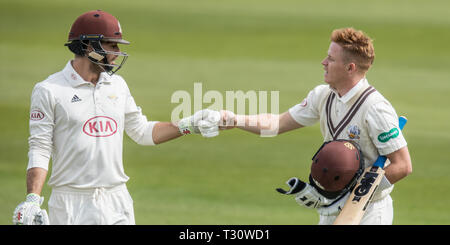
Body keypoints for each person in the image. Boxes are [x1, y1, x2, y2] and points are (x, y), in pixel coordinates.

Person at [13, 10, 220, 225]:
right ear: (90, 47)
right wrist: (32, 200)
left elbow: (141, 131)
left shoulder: (117, 85)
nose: (117, 52)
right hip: (71, 204)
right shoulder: (49, 90)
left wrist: (190, 125)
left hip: (116, 199)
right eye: (112, 45)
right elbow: (40, 147)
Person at [220, 27, 412, 225]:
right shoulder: (323, 95)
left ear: (350, 68)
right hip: (331, 209)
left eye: (331, 59)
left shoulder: (375, 109)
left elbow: (402, 165)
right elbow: (277, 123)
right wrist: (236, 120)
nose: (324, 63)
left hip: (368, 212)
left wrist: (353, 197)